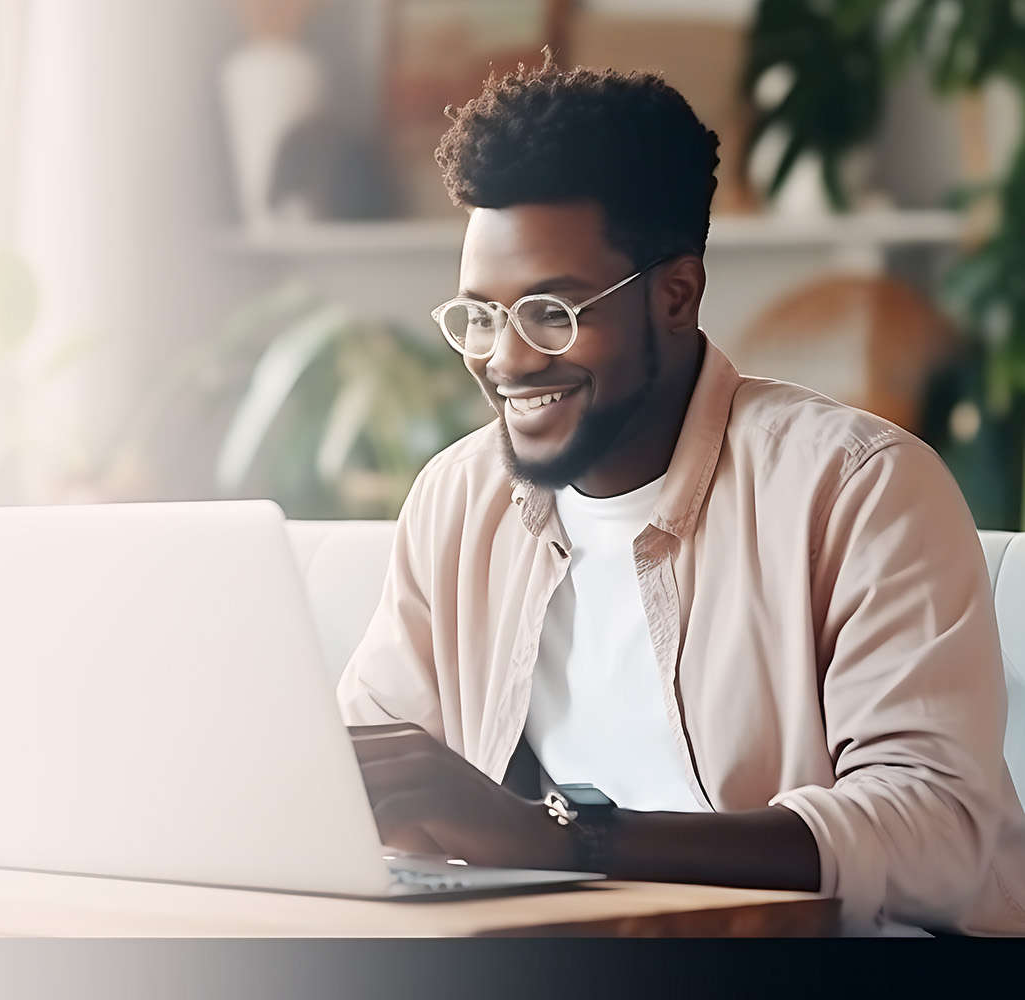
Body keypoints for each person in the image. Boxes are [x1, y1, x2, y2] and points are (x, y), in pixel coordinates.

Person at [335, 60, 1025, 936]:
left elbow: (937, 828)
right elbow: (373, 770)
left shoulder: (857, 487)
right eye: (480, 315)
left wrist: (571, 841)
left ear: (677, 295)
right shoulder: (458, 501)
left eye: (552, 310)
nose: (504, 359)